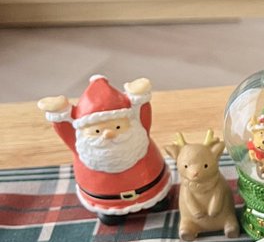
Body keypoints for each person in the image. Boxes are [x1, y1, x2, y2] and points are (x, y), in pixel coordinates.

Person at [37, 75, 172, 221]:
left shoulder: (138, 132)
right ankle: (110, 212)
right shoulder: (82, 145)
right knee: (112, 217)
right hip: (103, 193)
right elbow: (64, 128)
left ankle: (156, 199)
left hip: (149, 184)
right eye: (97, 131)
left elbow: (142, 109)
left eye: (118, 127)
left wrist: (139, 96)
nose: (109, 134)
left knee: (157, 199)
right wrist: (59, 112)